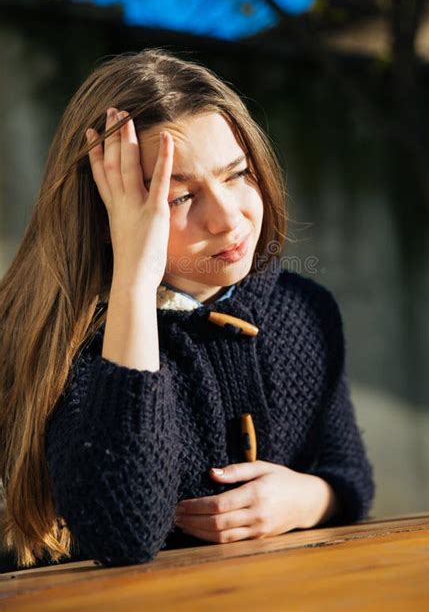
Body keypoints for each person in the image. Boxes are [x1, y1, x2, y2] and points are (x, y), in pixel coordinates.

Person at [0, 48, 375, 571]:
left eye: (237, 173)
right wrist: (134, 282)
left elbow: (348, 475)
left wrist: (304, 499)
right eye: (179, 198)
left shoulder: (304, 309)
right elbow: (122, 536)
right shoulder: (70, 335)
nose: (226, 218)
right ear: (106, 211)